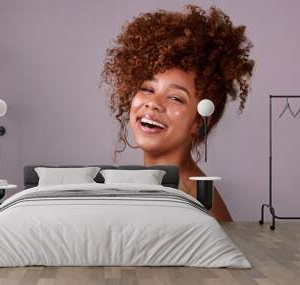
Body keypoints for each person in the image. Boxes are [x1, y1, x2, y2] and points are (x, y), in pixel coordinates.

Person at [100, 4, 255, 221]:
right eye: (147, 89)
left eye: (175, 98)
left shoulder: (192, 203)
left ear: (198, 122)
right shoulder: (162, 188)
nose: (153, 103)